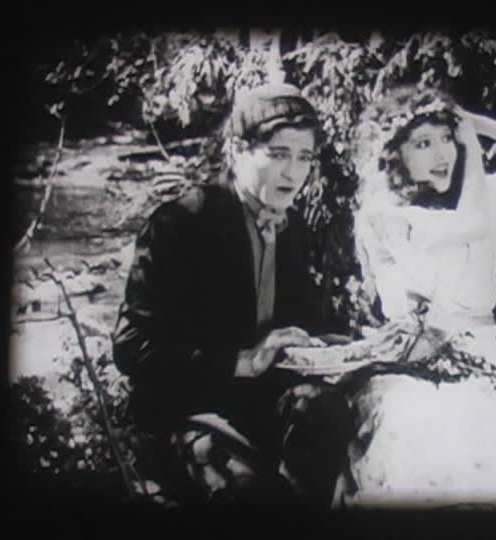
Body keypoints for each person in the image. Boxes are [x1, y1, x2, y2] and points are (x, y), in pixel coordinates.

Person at [334, 85, 496, 507]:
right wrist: (474, 152)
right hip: (413, 368)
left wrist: (476, 124)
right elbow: (470, 225)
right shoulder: (385, 214)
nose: (443, 153)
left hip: (487, 356)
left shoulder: (481, 194)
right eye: (422, 143)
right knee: (432, 472)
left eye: (447, 138)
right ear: (393, 155)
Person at [112, 83, 354, 508]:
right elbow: (132, 348)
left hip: (260, 403)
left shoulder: (293, 228)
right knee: (250, 495)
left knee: (328, 410)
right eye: (278, 154)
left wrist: (338, 347)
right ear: (238, 151)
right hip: (185, 412)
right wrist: (241, 362)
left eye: (304, 157)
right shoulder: (181, 222)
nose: (293, 173)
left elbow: (299, 324)